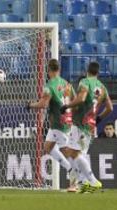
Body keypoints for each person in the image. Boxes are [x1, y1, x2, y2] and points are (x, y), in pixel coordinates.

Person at [60, 61, 113, 193]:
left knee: (72, 152)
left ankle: (93, 181)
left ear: (87, 71)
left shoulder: (85, 82)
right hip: (90, 125)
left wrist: (67, 106)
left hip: (80, 123)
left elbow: (82, 99)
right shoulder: (102, 87)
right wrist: (99, 118)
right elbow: (110, 108)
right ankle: (83, 184)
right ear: (98, 73)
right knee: (77, 153)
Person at [27, 59, 78, 192]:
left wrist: (30, 105)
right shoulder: (67, 84)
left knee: (65, 150)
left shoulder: (49, 86)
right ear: (59, 70)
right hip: (65, 120)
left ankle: (75, 179)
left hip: (59, 123)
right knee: (48, 147)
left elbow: (43, 105)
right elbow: (75, 101)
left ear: (48, 71)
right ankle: (70, 169)